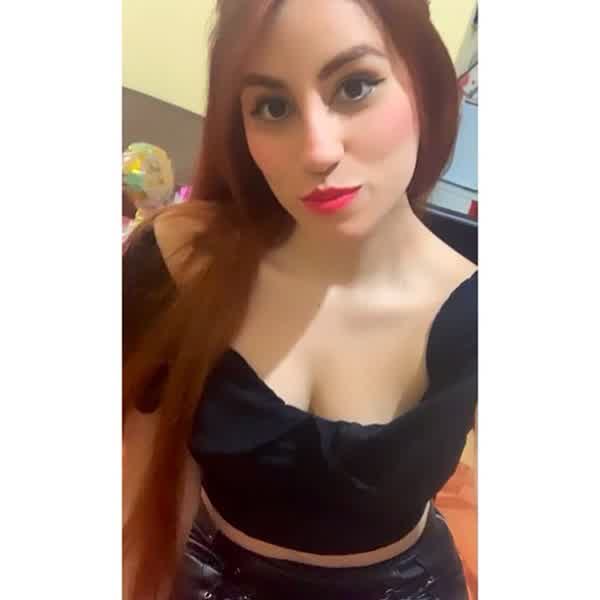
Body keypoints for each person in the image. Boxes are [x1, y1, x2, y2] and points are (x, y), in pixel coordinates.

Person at [123, 0, 477, 598]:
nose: (317, 150)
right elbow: (142, 498)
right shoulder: (181, 260)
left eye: (355, 86)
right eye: (273, 106)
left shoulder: (479, 309)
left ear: (428, 81)